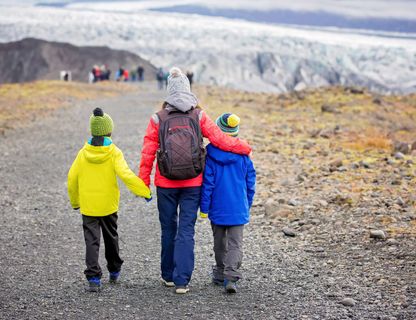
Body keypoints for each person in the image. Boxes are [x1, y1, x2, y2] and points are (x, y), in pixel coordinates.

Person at [138, 67, 252, 294]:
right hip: (193, 182)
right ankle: (182, 282)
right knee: (186, 230)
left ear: (168, 91)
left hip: (165, 183)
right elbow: (221, 140)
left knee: (168, 228)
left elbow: (147, 153)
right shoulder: (198, 115)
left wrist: (144, 182)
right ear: (189, 89)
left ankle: (168, 276)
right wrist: (244, 147)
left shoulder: (157, 118)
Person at [68, 107, 151, 292]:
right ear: (109, 131)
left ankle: (93, 277)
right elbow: (126, 175)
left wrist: (75, 202)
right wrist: (144, 191)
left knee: (92, 240)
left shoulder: (83, 153)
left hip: (88, 206)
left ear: (92, 131)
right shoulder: (114, 152)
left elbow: (71, 179)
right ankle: (114, 269)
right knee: (111, 237)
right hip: (108, 205)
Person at [200, 113, 256, 294]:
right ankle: (231, 277)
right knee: (235, 244)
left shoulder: (210, 156)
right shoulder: (244, 156)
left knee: (219, 243)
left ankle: (219, 273)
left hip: (217, 207)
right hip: (238, 207)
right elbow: (250, 183)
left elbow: (207, 184)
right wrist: (247, 204)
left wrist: (204, 207)